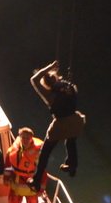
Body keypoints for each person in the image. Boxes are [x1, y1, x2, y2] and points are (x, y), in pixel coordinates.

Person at [27, 60, 85, 188]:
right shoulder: (70, 87)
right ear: (56, 78)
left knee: (45, 152)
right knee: (71, 141)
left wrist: (49, 66)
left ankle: (36, 180)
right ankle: (72, 166)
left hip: (61, 124)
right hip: (76, 120)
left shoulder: (49, 94)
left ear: (46, 84)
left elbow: (34, 79)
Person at [3, 127, 44, 203]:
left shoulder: (38, 153)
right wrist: (6, 179)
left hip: (32, 184)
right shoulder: (12, 150)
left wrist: (42, 187)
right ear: (20, 137)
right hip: (16, 183)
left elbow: (43, 171)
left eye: (27, 138)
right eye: (23, 137)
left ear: (31, 138)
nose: (25, 140)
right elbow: (7, 167)